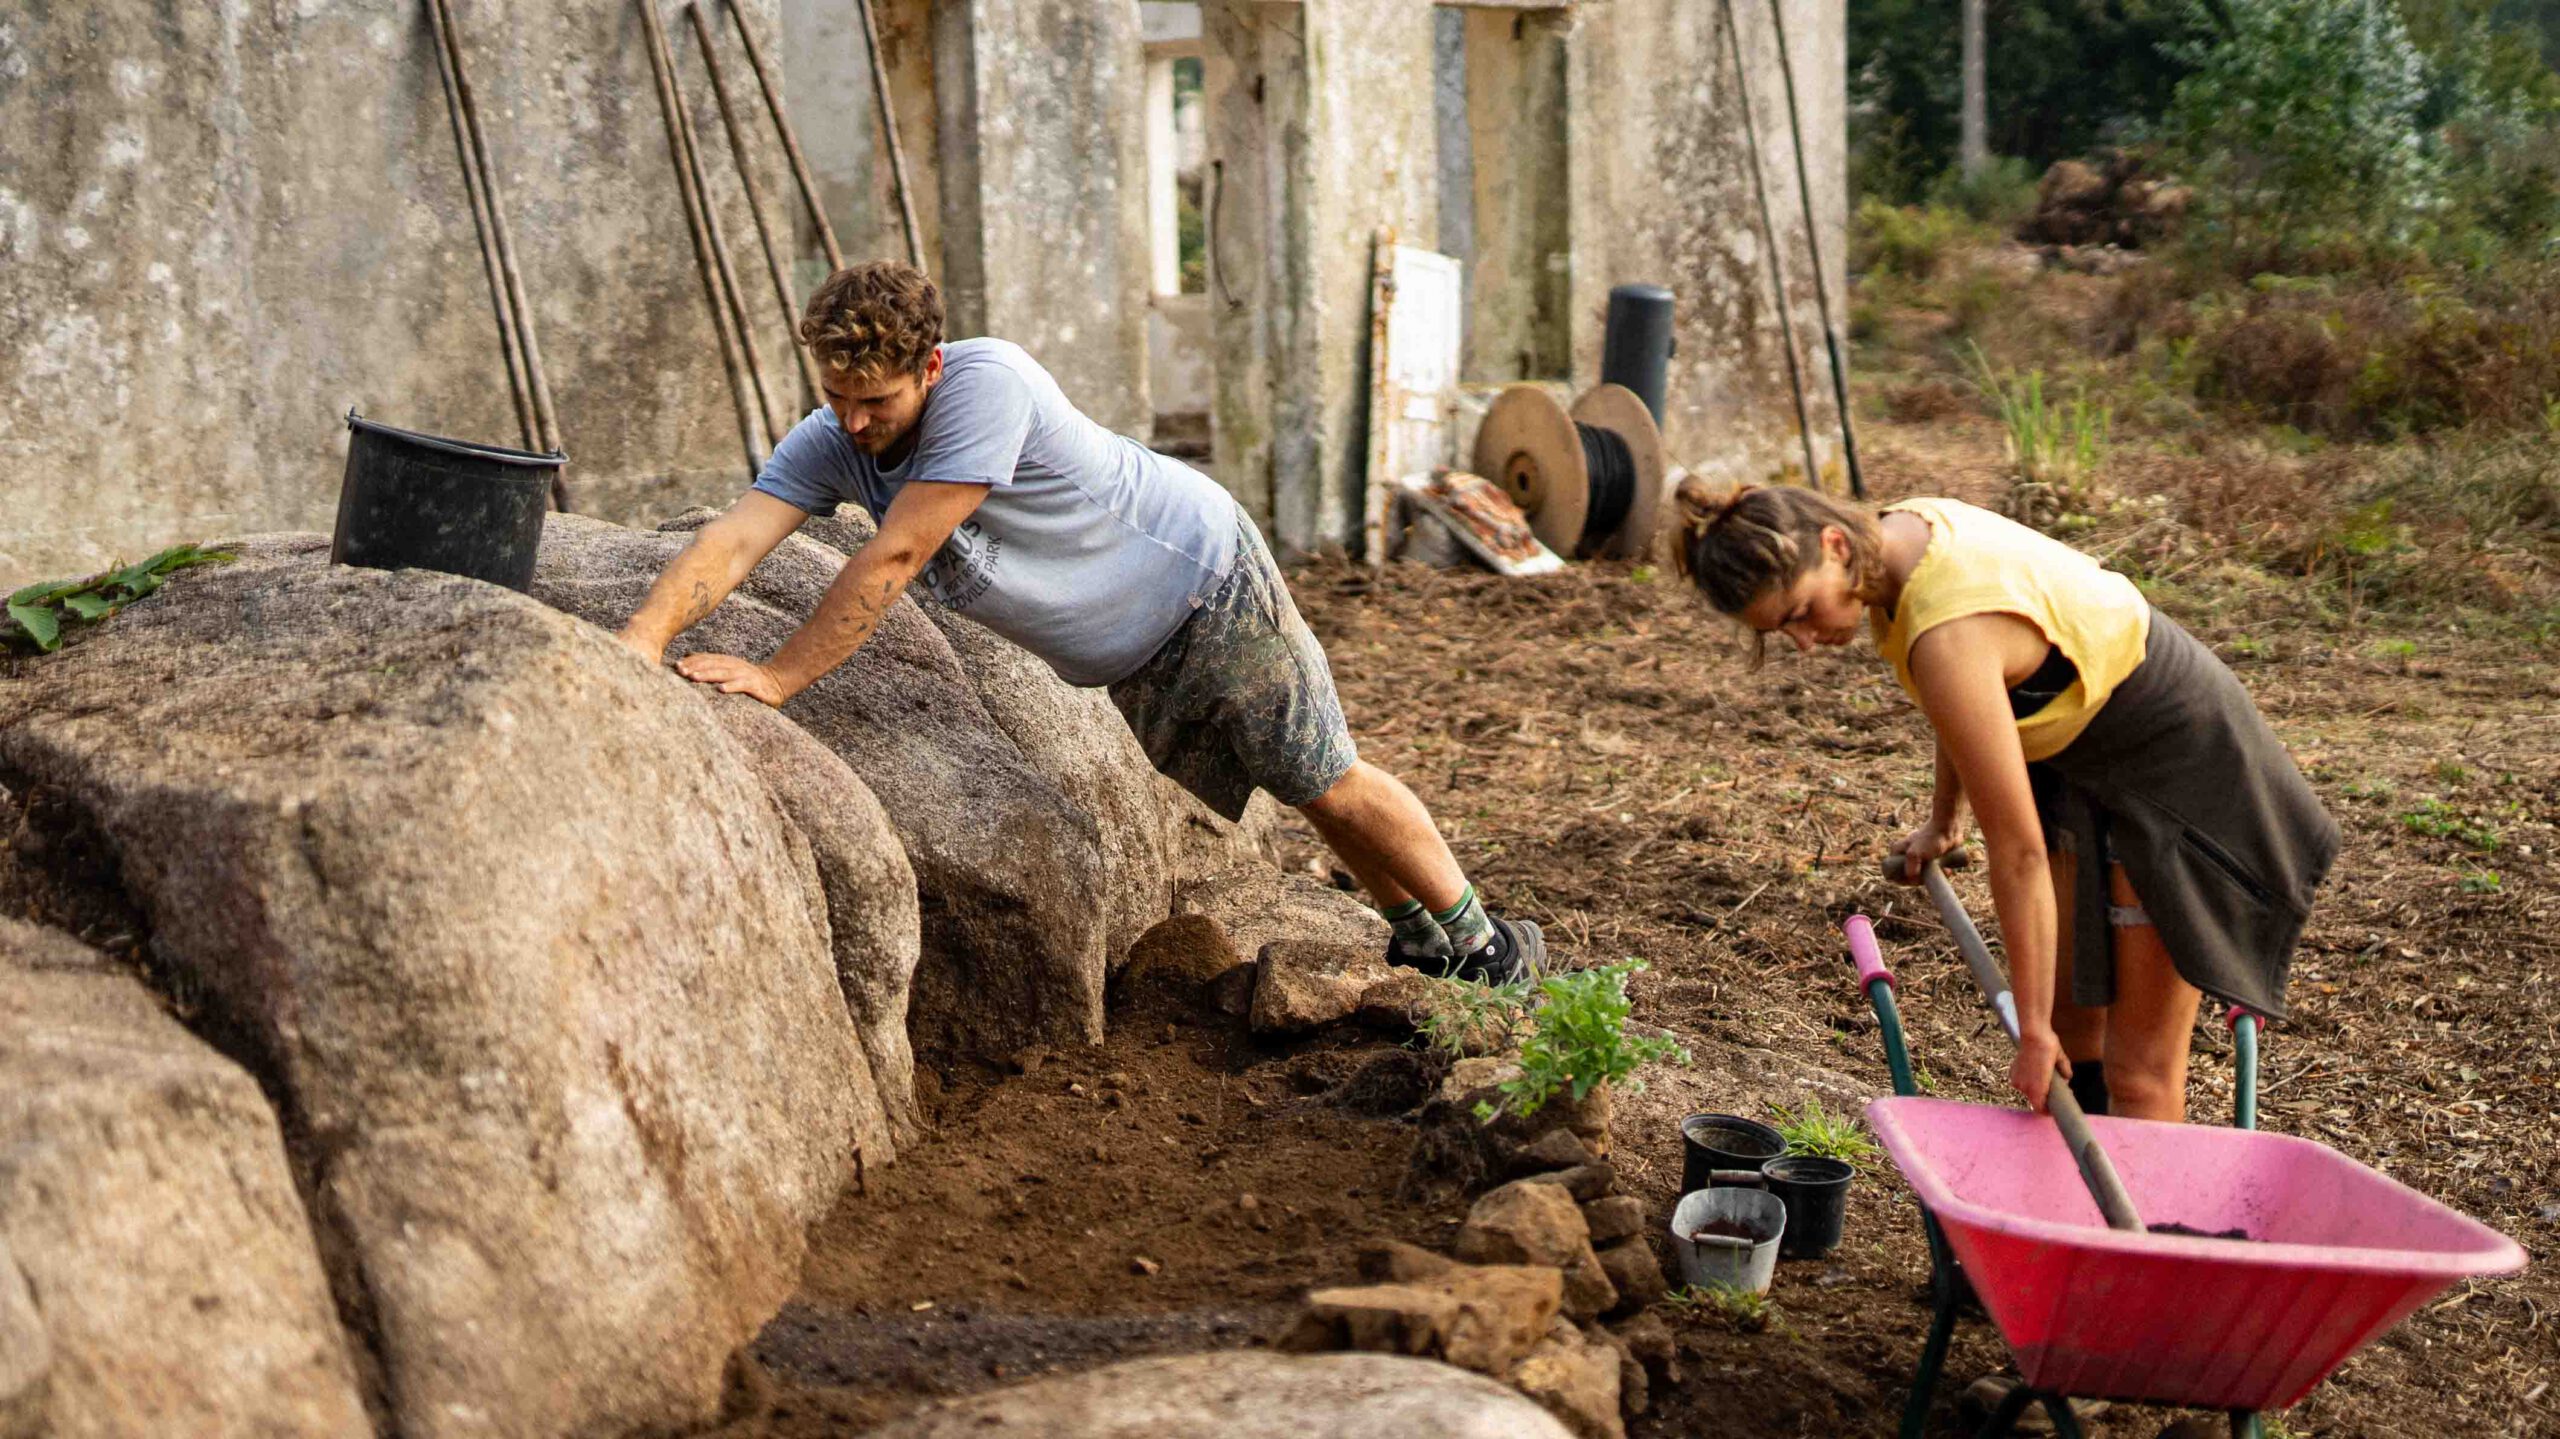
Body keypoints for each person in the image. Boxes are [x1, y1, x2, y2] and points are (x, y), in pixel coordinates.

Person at [615, 260, 1542, 983]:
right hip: (1137, 644)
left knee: (1327, 774)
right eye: (837, 398)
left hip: (1203, 580)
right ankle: (1423, 939)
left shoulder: (987, 385)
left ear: (928, 368)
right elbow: (735, 541)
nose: (854, 423)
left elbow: (894, 558)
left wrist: (778, 677)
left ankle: (1490, 947)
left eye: (877, 401)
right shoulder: (833, 441)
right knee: (1297, 784)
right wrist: (641, 642)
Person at [1669, 481, 2337, 1122]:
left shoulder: (1946, 627)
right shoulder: (1900, 536)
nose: (1806, 640)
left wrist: (2032, 1030)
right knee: (2077, 1041)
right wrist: (1943, 822)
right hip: (2084, 758)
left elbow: (2018, 856)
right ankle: (2071, 1222)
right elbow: (1966, 709)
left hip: (2178, 761)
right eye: (1783, 632)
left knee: (2138, 1072)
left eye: (1800, 613)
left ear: (1835, 543)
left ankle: (2138, 1234)